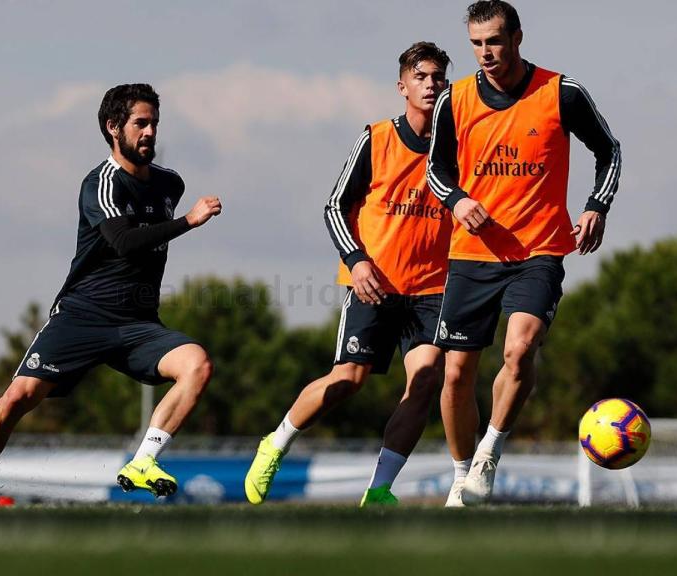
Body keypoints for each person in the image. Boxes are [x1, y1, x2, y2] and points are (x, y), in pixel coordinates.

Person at [0, 83, 221, 506]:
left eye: (154, 123)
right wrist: (188, 221)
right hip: (83, 316)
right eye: (140, 123)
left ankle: (143, 461)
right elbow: (125, 242)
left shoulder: (170, 184)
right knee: (18, 398)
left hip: (138, 324)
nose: (150, 132)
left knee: (198, 365)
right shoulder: (100, 183)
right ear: (114, 128)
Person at [427, 0, 621, 505]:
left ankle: (490, 451)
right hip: (472, 253)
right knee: (455, 373)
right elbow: (436, 169)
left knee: (518, 348)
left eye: (493, 40)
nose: (485, 52)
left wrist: (597, 205)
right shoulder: (455, 99)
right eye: (476, 43)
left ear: (516, 37)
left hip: (539, 249)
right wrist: (458, 198)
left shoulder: (562, 92)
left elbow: (609, 149)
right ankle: (459, 473)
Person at [244, 42, 455, 507]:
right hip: (374, 284)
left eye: (438, 77)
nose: (431, 84)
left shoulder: (458, 147)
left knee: (425, 379)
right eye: (421, 76)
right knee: (348, 379)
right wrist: (357, 260)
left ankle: (378, 490)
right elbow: (335, 205)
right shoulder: (376, 138)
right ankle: (275, 443)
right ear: (402, 86)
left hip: (433, 289)